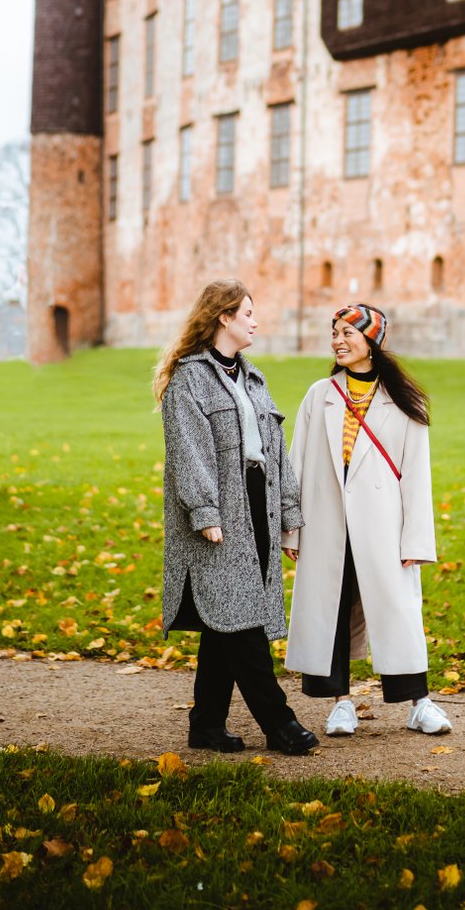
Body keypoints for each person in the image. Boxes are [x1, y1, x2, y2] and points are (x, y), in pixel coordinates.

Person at [154, 279, 318, 756]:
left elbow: (276, 453)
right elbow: (188, 452)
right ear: (223, 317)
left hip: (258, 507)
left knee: (226, 618)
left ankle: (206, 724)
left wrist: (289, 513)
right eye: (247, 313)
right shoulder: (189, 379)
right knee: (241, 621)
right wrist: (205, 510)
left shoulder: (253, 379)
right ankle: (279, 723)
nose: (255, 321)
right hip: (217, 515)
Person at [283, 302, 451, 737]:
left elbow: (417, 475)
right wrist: (291, 529)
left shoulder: (404, 400)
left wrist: (416, 540)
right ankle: (341, 704)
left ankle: (419, 703)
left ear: (371, 341)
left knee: (398, 611)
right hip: (326, 523)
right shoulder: (319, 394)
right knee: (331, 611)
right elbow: (296, 465)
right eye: (334, 332)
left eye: (348, 333)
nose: (337, 341)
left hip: (383, 526)